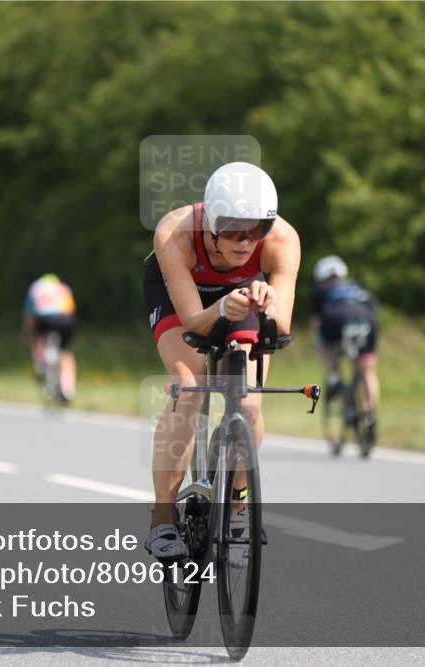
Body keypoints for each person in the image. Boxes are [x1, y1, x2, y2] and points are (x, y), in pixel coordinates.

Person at [142, 161, 300, 559]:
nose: (245, 240)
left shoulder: (282, 238)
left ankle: (235, 501)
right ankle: (163, 517)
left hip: (244, 295)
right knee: (191, 388)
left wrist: (265, 306)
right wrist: (223, 306)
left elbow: (281, 324)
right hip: (182, 297)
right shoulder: (175, 232)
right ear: (209, 221)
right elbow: (195, 321)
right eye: (231, 226)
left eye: (256, 228)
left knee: (247, 404)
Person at [312, 255, 380, 440]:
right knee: (367, 370)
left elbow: (318, 322)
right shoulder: (356, 286)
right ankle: (369, 412)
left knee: (325, 343)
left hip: (336, 317)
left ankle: (333, 375)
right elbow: (373, 307)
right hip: (367, 318)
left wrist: (320, 344)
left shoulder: (321, 290)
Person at [22, 274, 77, 402]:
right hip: (66, 319)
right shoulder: (64, 288)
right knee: (66, 353)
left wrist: (27, 334)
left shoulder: (36, 288)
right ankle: (68, 388)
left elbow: (29, 316)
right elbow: (72, 309)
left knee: (40, 339)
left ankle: (41, 362)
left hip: (45, 318)